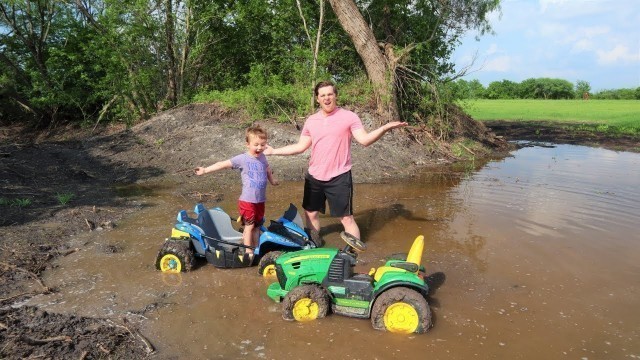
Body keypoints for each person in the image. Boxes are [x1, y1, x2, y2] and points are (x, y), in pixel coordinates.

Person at [264, 80, 407, 242]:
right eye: (322, 95)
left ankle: (354, 254)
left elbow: (365, 140)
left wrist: (385, 128)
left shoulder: (349, 117)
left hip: (339, 177)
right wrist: (273, 151)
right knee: (310, 215)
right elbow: (300, 146)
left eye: (330, 94)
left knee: (346, 218)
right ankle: (313, 245)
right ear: (317, 99)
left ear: (335, 96)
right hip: (314, 177)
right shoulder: (311, 120)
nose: (326, 98)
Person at [194, 125, 279, 255]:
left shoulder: (263, 157)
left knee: (257, 226)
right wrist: (205, 170)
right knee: (249, 226)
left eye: (262, 145)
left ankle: (256, 249)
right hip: (247, 200)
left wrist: (272, 181)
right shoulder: (242, 159)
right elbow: (222, 164)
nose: (259, 148)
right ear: (247, 144)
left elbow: (267, 169)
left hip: (260, 200)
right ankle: (248, 252)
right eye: (256, 145)